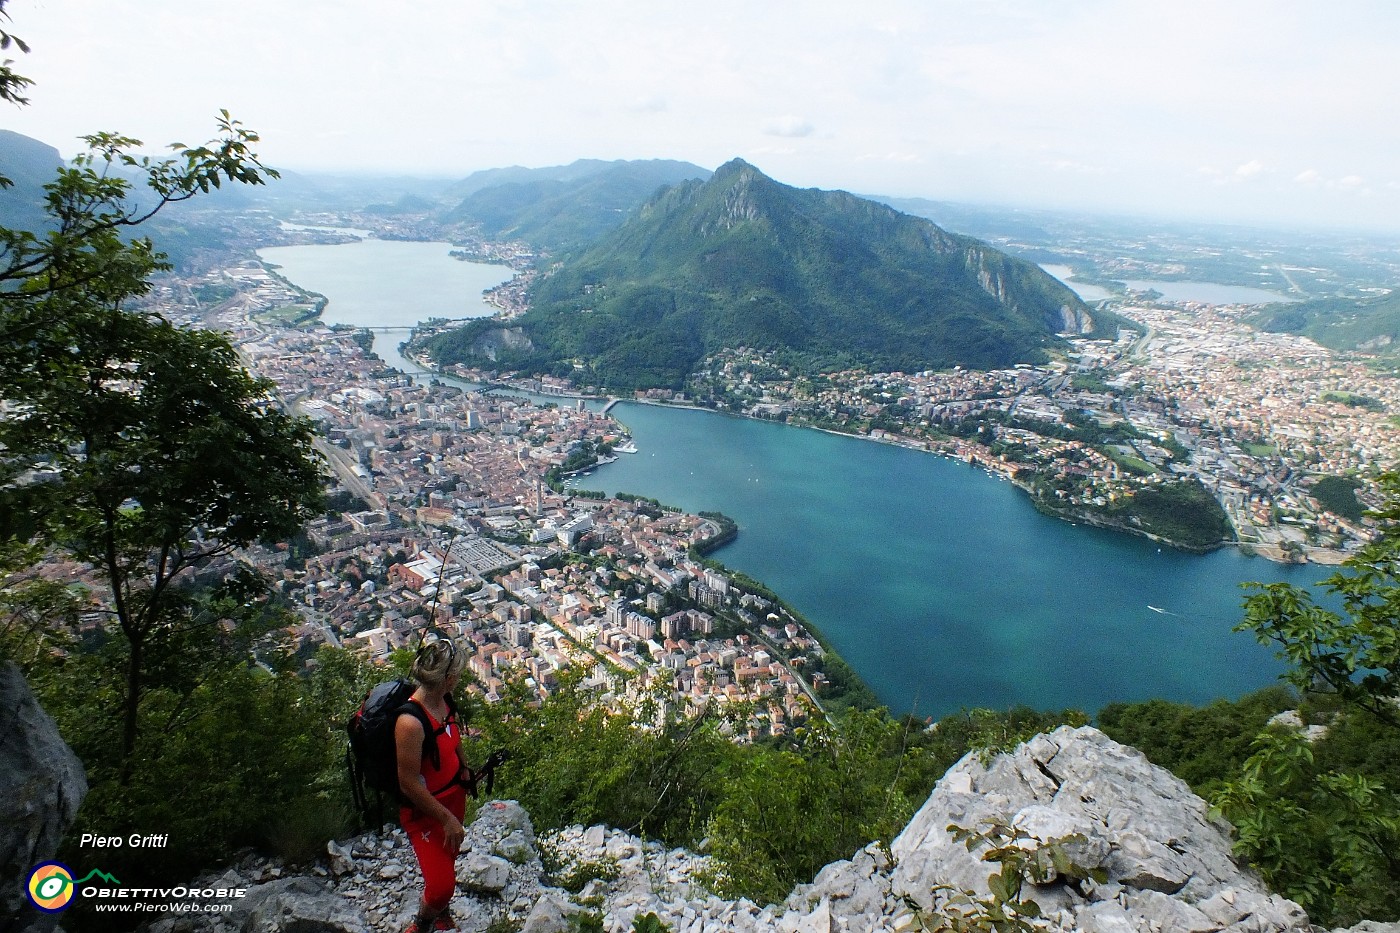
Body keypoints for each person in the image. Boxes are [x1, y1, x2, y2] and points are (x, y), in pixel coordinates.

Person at [396, 637, 471, 932]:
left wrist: (464, 766)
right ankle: (423, 922)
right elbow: (408, 783)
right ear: (449, 678)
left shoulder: (444, 701)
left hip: (453, 797)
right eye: (459, 674)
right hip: (427, 812)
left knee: (448, 860)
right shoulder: (410, 723)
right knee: (441, 885)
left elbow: (452, 736)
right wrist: (446, 818)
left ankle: (441, 911)